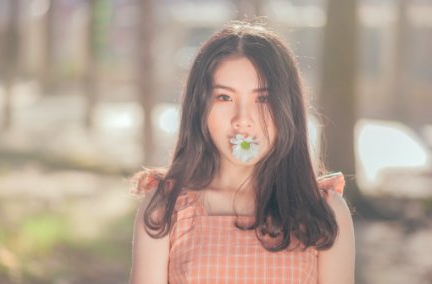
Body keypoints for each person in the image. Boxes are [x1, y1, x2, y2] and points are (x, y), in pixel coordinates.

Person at [129, 21, 355, 284]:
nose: (243, 119)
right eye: (224, 97)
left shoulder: (324, 211)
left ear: (287, 108)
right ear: (200, 108)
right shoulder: (165, 208)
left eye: (263, 99)